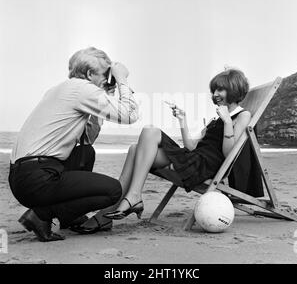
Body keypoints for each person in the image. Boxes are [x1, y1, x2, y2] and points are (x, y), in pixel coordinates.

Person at [74, 67, 251, 231]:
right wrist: (183, 120)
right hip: (193, 158)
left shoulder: (242, 115)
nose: (216, 94)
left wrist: (228, 122)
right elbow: (191, 146)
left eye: (221, 89)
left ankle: (133, 197)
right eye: (214, 90)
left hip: (203, 167)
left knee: (150, 131)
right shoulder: (217, 117)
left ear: (234, 89)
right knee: (135, 149)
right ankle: (109, 212)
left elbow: (230, 154)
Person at [8, 47, 139, 241]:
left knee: (86, 153)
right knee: (113, 191)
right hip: (38, 177)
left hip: (23, 176)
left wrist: (103, 97)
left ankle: (69, 217)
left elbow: (87, 139)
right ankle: (41, 214)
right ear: (89, 73)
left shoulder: (62, 89)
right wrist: (122, 79)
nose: (107, 78)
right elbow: (130, 115)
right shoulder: (84, 90)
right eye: (105, 74)